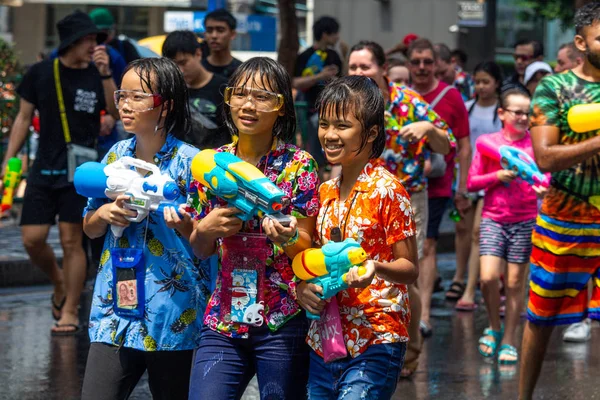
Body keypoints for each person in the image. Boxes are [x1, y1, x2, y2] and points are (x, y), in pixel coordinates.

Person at [187, 57, 319, 399]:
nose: (248, 104)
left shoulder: (298, 166)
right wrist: (206, 229)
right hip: (224, 317)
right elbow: (200, 249)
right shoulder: (210, 164)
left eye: (262, 97)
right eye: (240, 94)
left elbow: (307, 248)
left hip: (283, 320)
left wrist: (289, 238)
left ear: (282, 109)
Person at [80, 57, 205, 399]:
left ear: (165, 107)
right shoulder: (115, 157)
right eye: (123, 95)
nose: (125, 105)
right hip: (114, 311)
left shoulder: (192, 164)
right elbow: (89, 228)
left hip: (174, 315)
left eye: (138, 97)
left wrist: (184, 225)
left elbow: (207, 244)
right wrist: (105, 213)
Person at [300, 75, 419, 400]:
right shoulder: (323, 192)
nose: (329, 135)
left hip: (377, 335)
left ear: (370, 133)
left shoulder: (388, 190)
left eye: (342, 126)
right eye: (324, 124)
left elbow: (409, 268)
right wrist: (303, 289)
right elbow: (310, 259)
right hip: (325, 336)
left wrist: (374, 268)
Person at [1, 10, 118, 335]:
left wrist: (107, 74)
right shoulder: (40, 73)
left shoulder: (97, 75)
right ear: (72, 42)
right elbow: (23, 119)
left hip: (81, 173)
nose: (95, 45)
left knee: (71, 241)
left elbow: (115, 111)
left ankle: (69, 310)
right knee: (32, 239)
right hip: (44, 169)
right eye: (89, 39)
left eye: (97, 39)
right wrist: (9, 161)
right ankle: (58, 281)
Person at [346, 40, 454, 378]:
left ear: (382, 68)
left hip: (408, 199)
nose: (359, 73)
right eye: (353, 67)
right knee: (361, 269)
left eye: (365, 67)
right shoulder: (348, 101)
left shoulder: (407, 101)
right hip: (361, 195)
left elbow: (447, 142)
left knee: (406, 275)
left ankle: (410, 355)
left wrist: (428, 128)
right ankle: (366, 342)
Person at [520, 4, 600, 398]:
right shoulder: (554, 88)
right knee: (541, 316)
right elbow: (545, 156)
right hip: (564, 223)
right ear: (582, 43)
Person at [469, 88, 546, 365]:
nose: (524, 117)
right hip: (493, 218)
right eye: (518, 112)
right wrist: (496, 175)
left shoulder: (535, 145)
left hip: (525, 219)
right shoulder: (488, 142)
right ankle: (494, 325)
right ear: (501, 113)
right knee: (488, 278)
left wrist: (543, 189)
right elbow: (471, 183)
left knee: (515, 283)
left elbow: (545, 175)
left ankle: (510, 337)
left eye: (528, 112)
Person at [406, 38, 471, 335]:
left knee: (428, 247)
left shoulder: (451, 96)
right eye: (416, 61)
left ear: (437, 64)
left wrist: (462, 188)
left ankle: (425, 315)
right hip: (399, 183)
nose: (421, 67)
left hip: (437, 185)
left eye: (427, 62)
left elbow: (464, 145)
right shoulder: (398, 95)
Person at [456, 61, 504, 312]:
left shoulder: (503, 111)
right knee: (462, 230)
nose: (481, 87)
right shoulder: (467, 108)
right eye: (478, 82)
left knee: (477, 234)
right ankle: (461, 278)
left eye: (486, 82)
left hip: (492, 181)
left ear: (496, 83)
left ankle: (470, 289)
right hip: (467, 179)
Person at [162, 30, 230, 149]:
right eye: (174, 65)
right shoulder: (169, 89)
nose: (180, 70)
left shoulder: (223, 88)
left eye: (183, 62)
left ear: (198, 54)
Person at [293, 16, 343, 169]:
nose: (337, 37)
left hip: (332, 108)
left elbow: (343, 82)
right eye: (335, 33)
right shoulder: (305, 56)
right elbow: (295, 82)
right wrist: (320, 76)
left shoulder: (334, 56)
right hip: (308, 109)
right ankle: (317, 167)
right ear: (325, 34)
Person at [202, 9, 243, 79]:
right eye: (209, 30)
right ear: (204, 34)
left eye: (220, 30)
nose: (214, 35)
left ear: (233, 34)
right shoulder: (199, 69)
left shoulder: (242, 71)